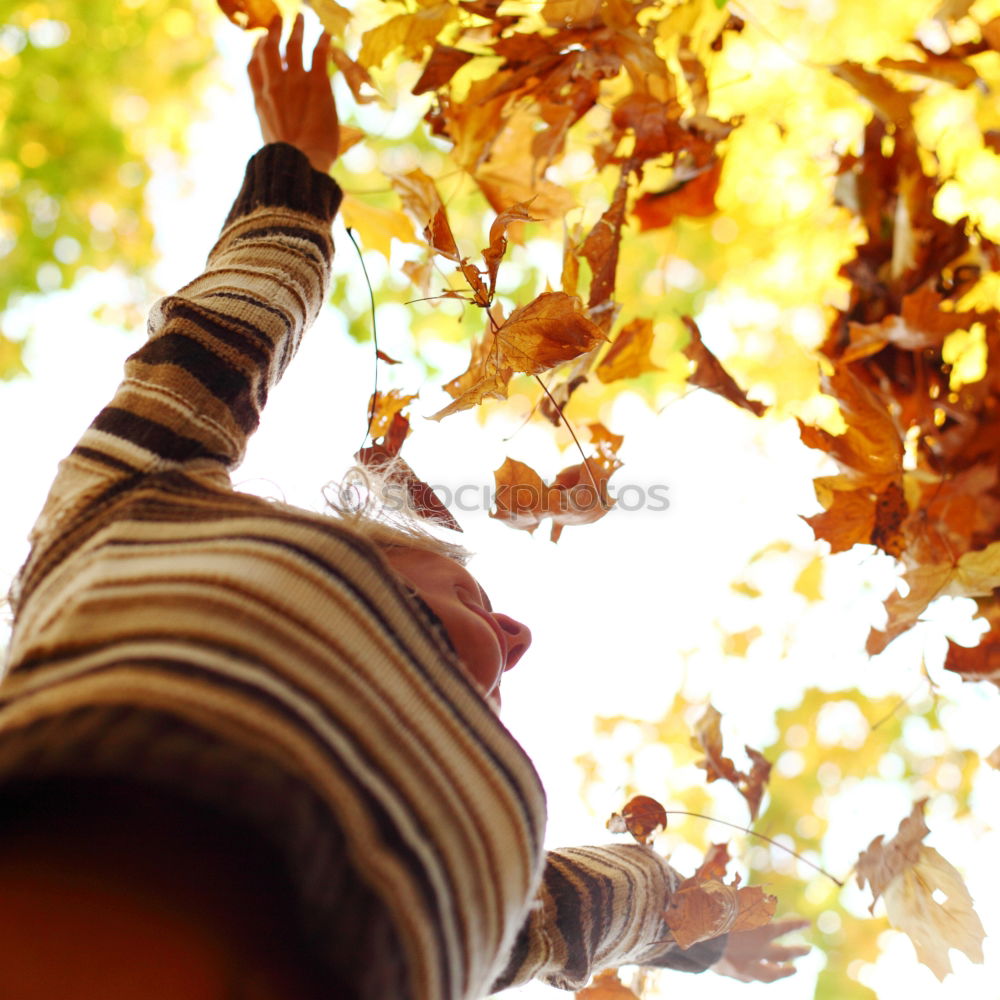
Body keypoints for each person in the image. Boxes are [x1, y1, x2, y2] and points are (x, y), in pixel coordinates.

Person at [0, 14, 806, 999]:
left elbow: (592, 908)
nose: (515, 638)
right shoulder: (130, 522)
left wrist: (698, 922)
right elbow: (222, 335)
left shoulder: (109, 515)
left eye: (478, 607)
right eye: (473, 593)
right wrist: (297, 169)